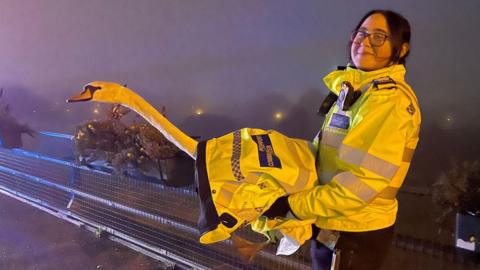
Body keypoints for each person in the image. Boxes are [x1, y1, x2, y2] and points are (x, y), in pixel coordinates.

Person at [263, 9, 421, 269]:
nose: (365, 41)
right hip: (333, 223)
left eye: (379, 36)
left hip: (355, 232)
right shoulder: (358, 91)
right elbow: (324, 153)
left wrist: (292, 205)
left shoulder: (389, 101)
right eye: (361, 33)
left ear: (401, 50)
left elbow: (362, 184)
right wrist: (276, 160)